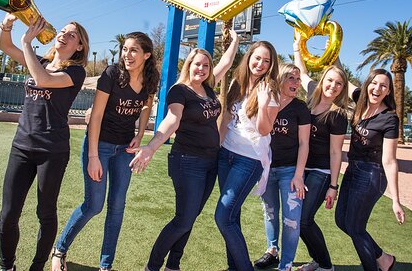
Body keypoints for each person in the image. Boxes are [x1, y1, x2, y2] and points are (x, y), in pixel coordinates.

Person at [130, 29, 239, 271]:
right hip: (188, 162)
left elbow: (226, 62)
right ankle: (152, 267)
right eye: (197, 64)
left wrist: (236, 41)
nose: (201, 69)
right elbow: (172, 119)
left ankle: (173, 265)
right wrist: (151, 146)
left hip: (211, 162)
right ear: (189, 65)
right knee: (183, 220)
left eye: (206, 66)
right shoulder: (179, 91)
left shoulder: (208, 88)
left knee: (190, 218)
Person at [52, 32, 159, 271]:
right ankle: (59, 249)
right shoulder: (112, 74)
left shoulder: (151, 78)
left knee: (117, 207)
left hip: (125, 150)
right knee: (94, 205)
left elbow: (146, 106)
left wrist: (140, 134)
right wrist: (93, 157)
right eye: (125, 49)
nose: (127, 55)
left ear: (146, 55)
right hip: (99, 145)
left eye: (133, 50)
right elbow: (96, 116)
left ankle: (106, 265)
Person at [0, 14, 89, 271]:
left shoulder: (75, 72)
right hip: (22, 146)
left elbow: (43, 80)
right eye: (63, 31)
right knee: (8, 214)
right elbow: (5, 46)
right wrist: (7, 24)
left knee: (45, 212)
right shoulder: (40, 61)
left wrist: (27, 42)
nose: (64, 35)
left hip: (52, 151)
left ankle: (37, 266)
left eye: (72, 35)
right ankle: (7, 266)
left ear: (79, 46)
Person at [215, 41, 280, 271]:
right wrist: (217, 146)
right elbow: (226, 118)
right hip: (226, 155)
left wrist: (262, 105)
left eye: (266, 61)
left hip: (249, 160)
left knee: (223, 217)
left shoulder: (269, 91)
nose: (260, 64)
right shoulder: (237, 82)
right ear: (249, 57)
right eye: (257, 58)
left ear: (271, 65)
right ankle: (233, 267)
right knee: (232, 217)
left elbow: (264, 130)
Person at [289, 35, 349, 271]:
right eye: (330, 80)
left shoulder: (338, 114)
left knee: (304, 220)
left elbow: (336, 152)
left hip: (320, 172)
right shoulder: (312, 94)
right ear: (323, 80)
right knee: (297, 219)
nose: (333, 86)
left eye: (339, 84)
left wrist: (333, 186)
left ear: (342, 88)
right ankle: (317, 259)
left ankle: (325, 264)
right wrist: (297, 48)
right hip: (300, 168)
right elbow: (302, 72)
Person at [335, 69, 404, 271]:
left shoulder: (389, 119)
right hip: (353, 169)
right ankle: (383, 259)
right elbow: (342, 74)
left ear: (388, 91)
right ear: (367, 85)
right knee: (341, 221)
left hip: (372, 174)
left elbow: (389, 160)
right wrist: (333, 50)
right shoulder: (360, 100)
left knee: (355, 227)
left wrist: (396, 200)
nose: (377, 88)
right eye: (374, 83)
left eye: (383, 86)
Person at [253, 64, 310, 271]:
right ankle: (272, 251)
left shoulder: (300, 108)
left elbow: (304, 143)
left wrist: (298, 175)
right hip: (266, 169)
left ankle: (285, 265)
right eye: (291, 78)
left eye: (298, 79)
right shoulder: (267, 101)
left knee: (291, 220)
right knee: (269, 212)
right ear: (280, 79)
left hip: (290, 171)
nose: (296, 82)